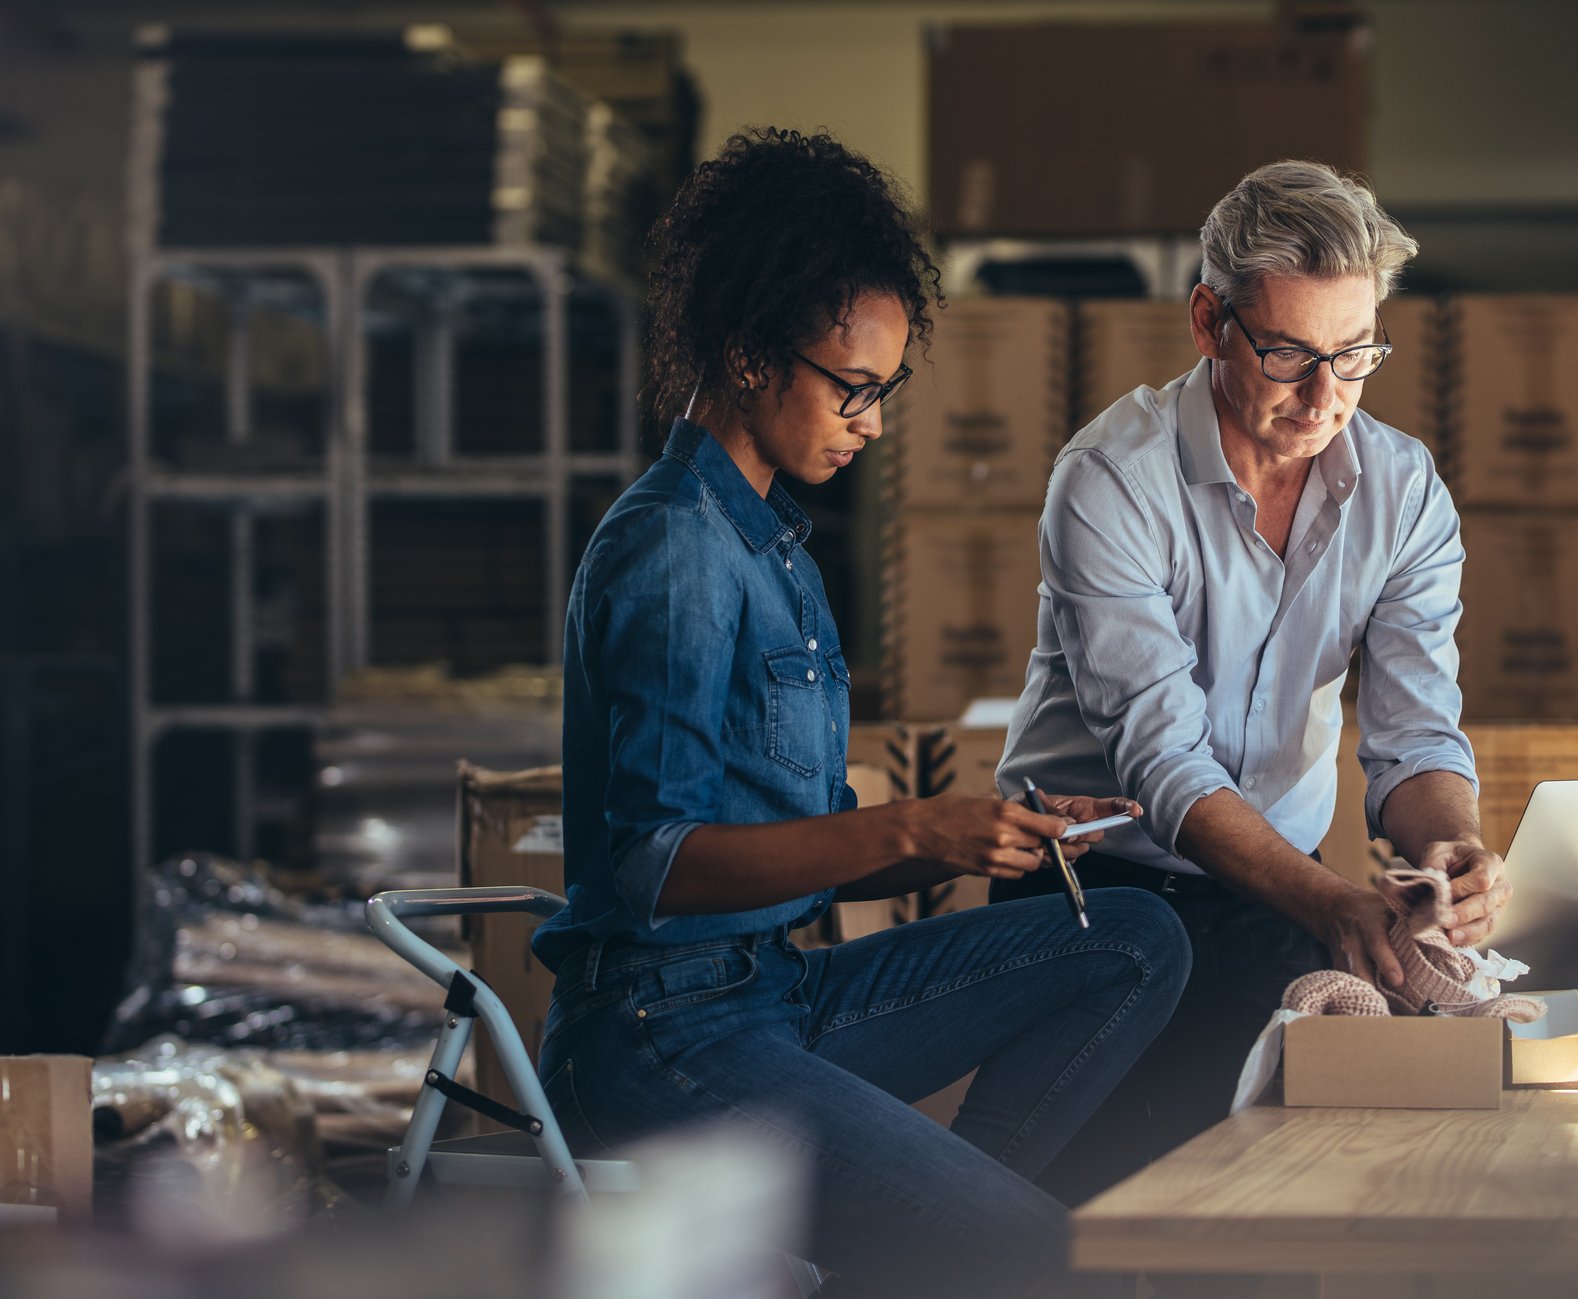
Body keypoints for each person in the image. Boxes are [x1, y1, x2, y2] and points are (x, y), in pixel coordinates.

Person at [528, 127, 1191, 1299]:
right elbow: (651, 865)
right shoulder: (677, 548)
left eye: (884, 390)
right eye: (851, 388)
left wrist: (993, 828)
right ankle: (958, 1246)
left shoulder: (772, 541)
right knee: (1036, 1253)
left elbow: (808, 857)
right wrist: (911, 831)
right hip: (656, 1037)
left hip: (772, 995)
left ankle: (928, 1245)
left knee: (1134, 936)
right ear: (744, 355)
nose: (871, 421)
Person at [994, 160, 1512, 1218]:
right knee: (1071, 1224)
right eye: (1286, 354)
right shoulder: (1110, 480)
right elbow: (1162, 762)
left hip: (1270, 888)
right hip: (1086, 897)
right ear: (1207, 321)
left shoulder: (1402, 492)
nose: (1323, 397)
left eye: (1354, 355)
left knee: (1266, 1205)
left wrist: (1448, 848)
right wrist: (1327, 901)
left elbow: (1414, 736)